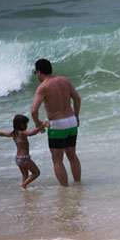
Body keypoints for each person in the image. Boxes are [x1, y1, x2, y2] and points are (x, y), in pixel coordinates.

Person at [31, 59, 82, 187]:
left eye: (36, 72)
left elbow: (33, 110)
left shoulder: (43, 87)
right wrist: (76, 116)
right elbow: (77, 98)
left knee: (57, 160)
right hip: (71, 121)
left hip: (58, 125)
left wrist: (38, 123)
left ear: (39, 72)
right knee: (72, 156)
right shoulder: (64, 80)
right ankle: (78, 184)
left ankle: (65, 190)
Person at [0, 114, 47, 189]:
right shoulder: (22, 133)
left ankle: (23, 190)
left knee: (25, 175)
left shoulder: (13, 134)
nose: (26, 126)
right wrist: (41, 126)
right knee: (36, 172)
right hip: (24, 158)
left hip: (18, 158)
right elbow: (32, 133)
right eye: (26, 124)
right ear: (21, 124)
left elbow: (3, 134)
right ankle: (23, 185)